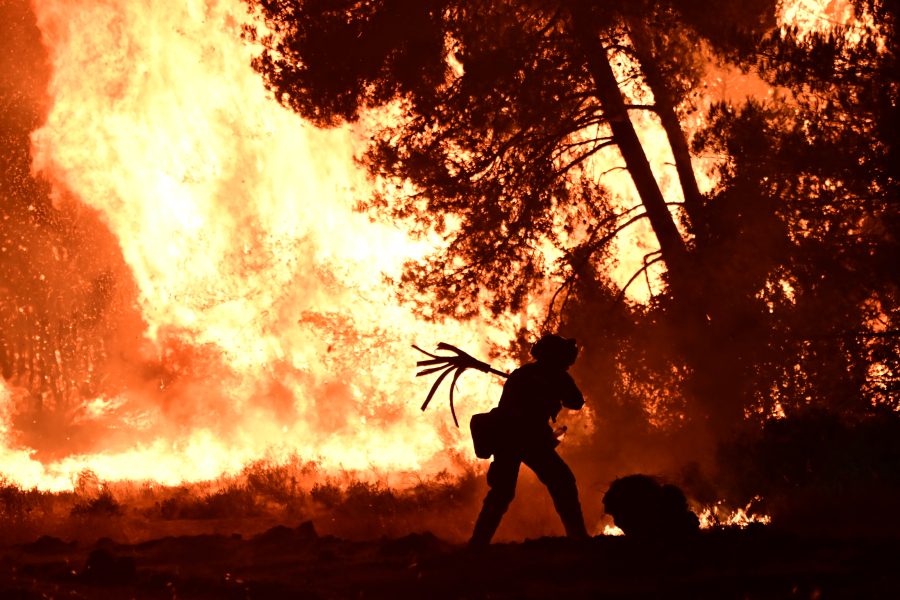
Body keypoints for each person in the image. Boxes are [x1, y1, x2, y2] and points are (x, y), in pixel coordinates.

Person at [468, 334, 588, 549]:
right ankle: (478, 544)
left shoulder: (550, 377)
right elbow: (513, 413)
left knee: (557, 483)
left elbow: (576, 402)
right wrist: (542, 392)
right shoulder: (528, 377)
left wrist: (554, 389)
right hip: (516, 439)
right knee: (509, 491)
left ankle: (578, 537)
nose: (567, 364)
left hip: (525, 441)